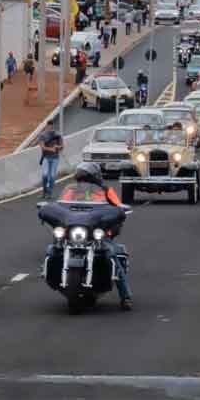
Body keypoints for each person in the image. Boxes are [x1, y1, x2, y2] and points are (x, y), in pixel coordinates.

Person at [59, 162, 133, 310]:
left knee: (113, 256)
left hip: (98, 233)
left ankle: (126, 296)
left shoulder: (106, 191)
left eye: (87, 179)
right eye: (82, 178)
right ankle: (49, 271)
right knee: (53, 249)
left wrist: (120, 212)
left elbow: (118, 207)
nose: (84, 182)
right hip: (75, 231)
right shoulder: (71, 190)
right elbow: (60, 205)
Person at [38, 120, 63, 199]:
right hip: (46, 157)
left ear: (53, 126)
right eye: (49, 126)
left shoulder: (58, 135)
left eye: (51, 126)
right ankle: (44, 191)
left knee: (52, 176)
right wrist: (51, 149)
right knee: (45, 175)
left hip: (55, 158)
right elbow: (42, 147)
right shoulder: (43, 135)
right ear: (47, 126)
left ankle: (50, 192)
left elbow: (62, 146)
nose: (50, 128)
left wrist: (57, 147)